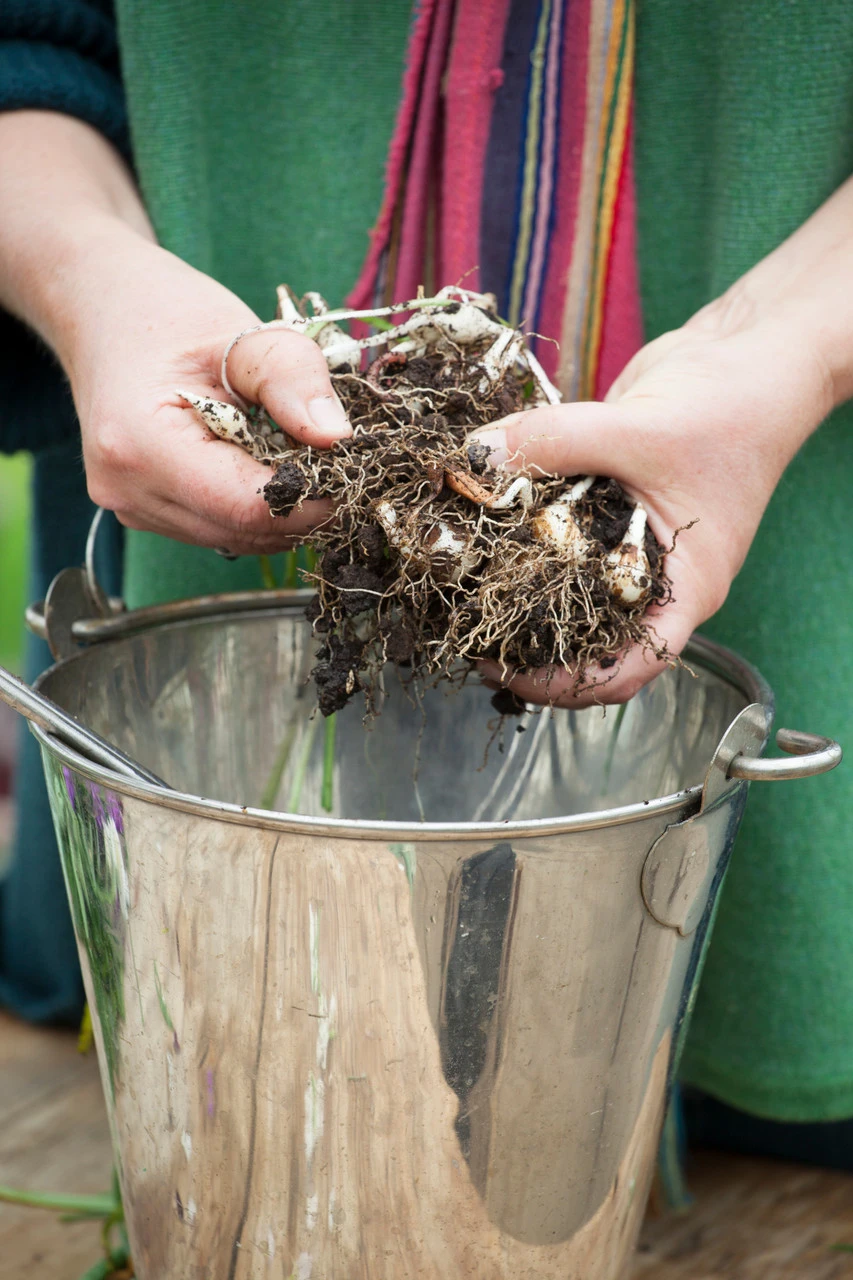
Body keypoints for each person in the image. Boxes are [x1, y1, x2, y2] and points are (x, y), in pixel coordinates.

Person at [0, 0, 851, 1169]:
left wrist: (783, 344)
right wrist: (86, 274)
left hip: (809, 527)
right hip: (177, 429)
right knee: (199, 1064)